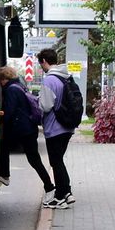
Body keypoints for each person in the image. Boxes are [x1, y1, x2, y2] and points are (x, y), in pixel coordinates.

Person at [0, 66, 54, 193]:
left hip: (22, 129)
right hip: (28, 128)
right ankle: (48, 185)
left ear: (4, 79)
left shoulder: (11, 90)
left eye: (0, 80)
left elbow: (10, 111)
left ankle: (5, 175)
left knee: (4, 145)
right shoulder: (18, 86)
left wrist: (1, 116)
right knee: (34, 159)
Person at [37, 48, 77, 210]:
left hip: (54, 127)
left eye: (41, 64)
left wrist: (37, 102)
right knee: (58, 160)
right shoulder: (66, 76)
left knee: (56, 162)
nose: (42, 67)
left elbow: (45, 106)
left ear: (45, 61)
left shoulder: (49, 80)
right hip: (68, 126)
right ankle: (66, 193)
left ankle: (60, 196)